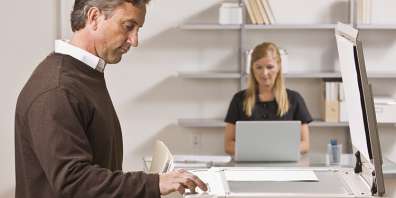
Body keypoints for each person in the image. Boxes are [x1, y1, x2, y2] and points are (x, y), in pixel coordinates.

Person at [14, 0, 207, 197]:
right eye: (128, 27)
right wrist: (155, 183)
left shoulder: (83, 75)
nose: (134, 40)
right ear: (94, 17)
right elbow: (74, 181)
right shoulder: (57, 90)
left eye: (137, 29)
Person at [224, 42, 313, 156]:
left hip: (284, 168)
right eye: (259, 67)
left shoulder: (295, 99)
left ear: (279, 67)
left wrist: (276, 152)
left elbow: (305, 144)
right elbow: (228, 145)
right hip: (249, 168)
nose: (264, 73)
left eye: (270, 67)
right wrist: (260, 152)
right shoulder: (239, 99)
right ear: (252, 68)